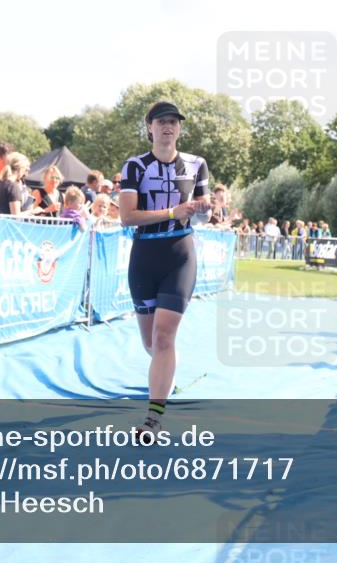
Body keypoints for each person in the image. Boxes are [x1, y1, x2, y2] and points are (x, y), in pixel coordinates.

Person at [119, 101, 211, 443]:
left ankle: (153, 418)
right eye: (162, 122)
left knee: (163, 337)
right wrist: (174, 210)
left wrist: (205, 211)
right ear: (150, 128)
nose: (168, 126)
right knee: (152, 342)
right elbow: (127, 217)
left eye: (173, 122)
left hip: (179, 255)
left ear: (179, 129)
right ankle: (166, 370)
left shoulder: (196, 164)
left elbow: (201, 213)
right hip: (145, 256)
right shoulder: (135, 166)